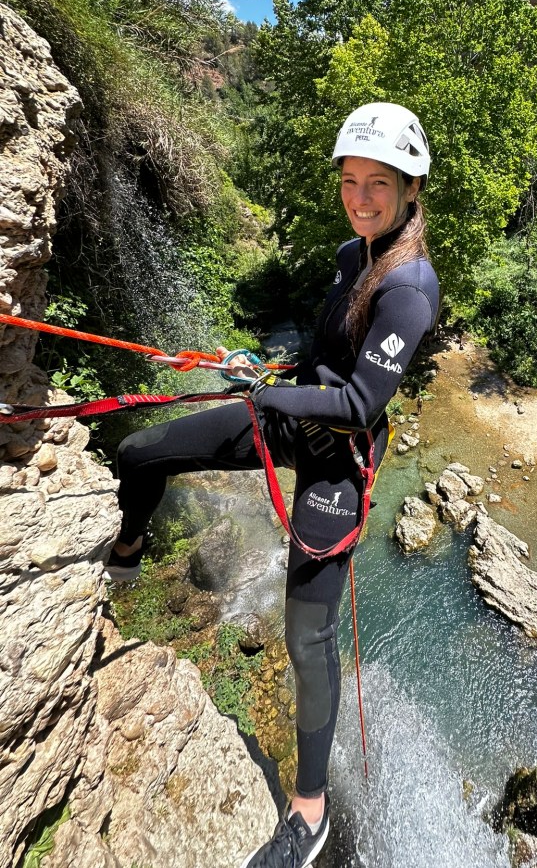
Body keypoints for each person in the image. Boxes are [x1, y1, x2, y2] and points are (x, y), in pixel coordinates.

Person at [104, 102, 440, 868]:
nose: (360, 196)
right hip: (292, 414)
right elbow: (329, 364)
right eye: (350, 180)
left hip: (336, 459)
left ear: (412, 187)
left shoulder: (409, 288)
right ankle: (125, 553)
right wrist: (270, 371)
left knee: (307, 636)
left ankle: (311, 810)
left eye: (378, 183)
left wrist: (268, 398)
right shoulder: (356, 255)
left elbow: (360, 403)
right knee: (142, 451)